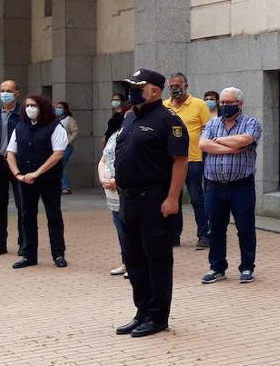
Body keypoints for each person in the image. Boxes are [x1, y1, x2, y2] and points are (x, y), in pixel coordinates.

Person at [113, 68, 188, 338]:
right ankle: (142, 311)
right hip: (129, 199)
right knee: (133, 258)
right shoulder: (131, 117)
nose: (132, 90)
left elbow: (180, 161)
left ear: (154, 90)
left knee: (156, 258)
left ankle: (158, 317)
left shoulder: (169, 121)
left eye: (137, 86)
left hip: (154, 200)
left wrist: (172, 198)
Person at [199, 87, 263, 284]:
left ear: (240, 104)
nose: (225, 106)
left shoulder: (251, 123)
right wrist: (231, 147)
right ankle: (217, 267)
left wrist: (216, 142)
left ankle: (247, 268)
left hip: (241, 186)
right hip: (214, 186)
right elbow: (203, 145)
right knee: (215, 228)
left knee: (245, 228)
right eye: (223, 103)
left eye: (230, 103)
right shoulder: (212, 123)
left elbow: (245, 139)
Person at [6, 94, 68, 269]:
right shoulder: (20, 126)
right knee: (27, 216)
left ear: (42, 107)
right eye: (27, 105)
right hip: (25, 180)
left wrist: (37, 172)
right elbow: (10, 153)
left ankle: (58, 254)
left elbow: (58, 154)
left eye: (33, 105)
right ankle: (28, 254)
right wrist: (18, 174)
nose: (29, 109)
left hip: (49, 179)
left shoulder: (55, 127)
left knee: (53, 216)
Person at [165, 72, 211, 250]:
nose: (175, 88)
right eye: (171, 86)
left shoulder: (199, 105)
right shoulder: (164, 106)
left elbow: (208, 130)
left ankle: (204, 235)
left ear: (186, 85)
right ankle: (174, 236)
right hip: (171, 161)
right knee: (173, 196)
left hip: (193, 160)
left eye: (178, 85)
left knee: (196, 198)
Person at [0, 80, 25, 256]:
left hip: (18, 164)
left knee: (22, 204)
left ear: (17, 93)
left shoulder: (24, 114)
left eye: (9, 90)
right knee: (0, 204)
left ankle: (24, 243)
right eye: (2, 90)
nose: (5, 93)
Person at [98, 127, 129, 278]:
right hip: (111, 192)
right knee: (120, 228)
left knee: (130, 228)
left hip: (127, 189)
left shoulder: (135, 136)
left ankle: (135, 263)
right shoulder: (114, 136)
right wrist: (103, 178)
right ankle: (125, 261)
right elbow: (103, 160)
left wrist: (117, 181)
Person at [54, 101, 79, 194]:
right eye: (56, 107)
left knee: (61, 165)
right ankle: (61, 186)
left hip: (66, 147)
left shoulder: (69, 119)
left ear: (65, 109)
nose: (57, 109)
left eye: (60, 107)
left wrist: (68, 142)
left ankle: (65, 186)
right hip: (56, 147)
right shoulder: (54, 119)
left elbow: (75, 132)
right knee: (59, 166)